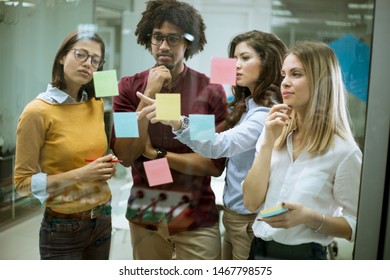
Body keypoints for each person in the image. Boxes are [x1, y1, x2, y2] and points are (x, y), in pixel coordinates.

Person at [137, 30, 287, 260]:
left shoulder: (263, 113)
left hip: (240, 218)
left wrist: (168, 136)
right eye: (235, 58)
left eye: (245, 58)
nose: (236, 65)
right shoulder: (247, 104)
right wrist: (153, 95)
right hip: (228, 214)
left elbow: (217, 148)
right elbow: (127, 149)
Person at [111, 0, 228, 260]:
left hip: (196, 216)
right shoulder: (129, 88)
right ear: (148, 39)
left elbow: (212, 163)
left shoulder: (209, 92)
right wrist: (148, 93)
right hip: (147, 215)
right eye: (157, 37)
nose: (163, 46)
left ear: (189, 42)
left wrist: (157, 154)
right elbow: (126, 155)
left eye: (173, 38)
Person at [242, 41, 363, 260]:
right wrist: (268, 142)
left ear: (320, 82)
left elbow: (354, 226)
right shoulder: (273, 133)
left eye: (296, 74)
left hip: (305, 257)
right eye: (283, 75)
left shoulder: (344, 150)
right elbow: (250, 202)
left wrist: (309, 217)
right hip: (258, 250)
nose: (285, 83)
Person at [14, 30, 117, 260]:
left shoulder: (95, 104)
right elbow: (22, 183)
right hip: (63, 226)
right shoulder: (37, 111)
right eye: (81, 54)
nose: (88, 64)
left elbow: (91, 156)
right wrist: (83, 174)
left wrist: (104, 167)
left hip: (102, 217)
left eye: (95, 60)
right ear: (62, 57)